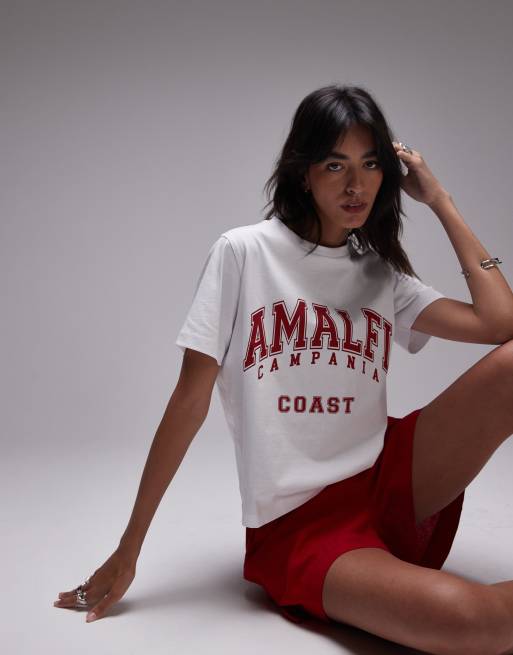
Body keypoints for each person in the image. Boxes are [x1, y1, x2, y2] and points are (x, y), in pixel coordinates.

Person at [54, 84, 513, 655]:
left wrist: (440, 199)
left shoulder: (378, 273)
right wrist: (129, 549)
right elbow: (189, 403)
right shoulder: (242, 253)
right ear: (303, 173)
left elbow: (500, 322)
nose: (356, 185)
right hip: (302, 525)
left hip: (389, 477)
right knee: (477, 624)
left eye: (371, 164)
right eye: (335, 165)